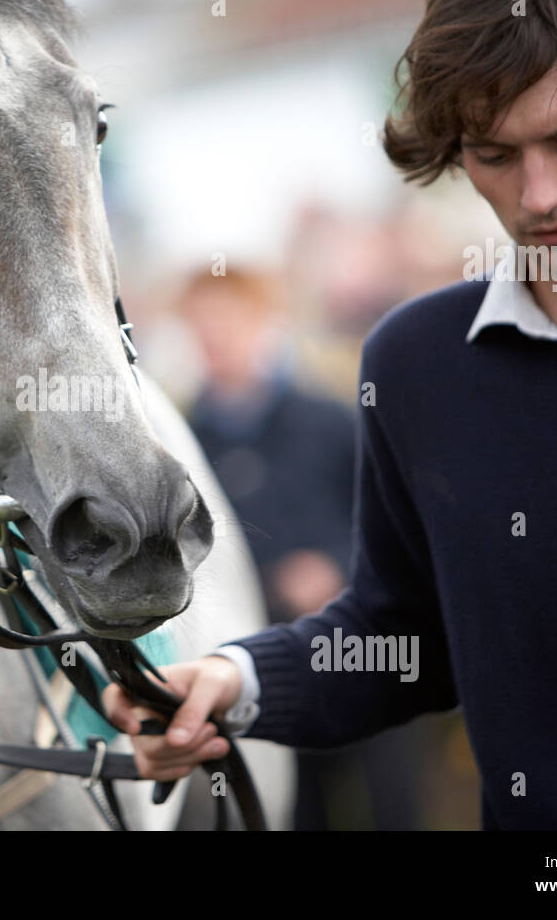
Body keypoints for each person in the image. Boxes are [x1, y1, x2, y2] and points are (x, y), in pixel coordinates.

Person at [105, 0, 557, 830]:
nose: (538, 195)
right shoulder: (415, 362)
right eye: (495, 155)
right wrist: (232, 682)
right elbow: (407, 638)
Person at [178, 265, 430, 829]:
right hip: (266, 655)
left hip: (368, 645)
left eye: (230, 321)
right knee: (297, 809)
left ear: (265, 322)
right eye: (203, 325)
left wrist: (335, 565)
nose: (216, 338)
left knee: (393, 805)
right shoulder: (187, 440)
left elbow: (391, 518)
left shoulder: (332, 419)